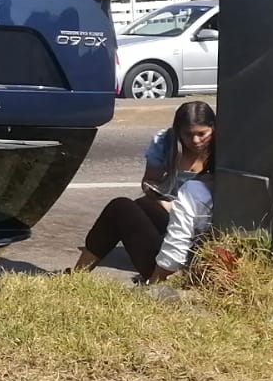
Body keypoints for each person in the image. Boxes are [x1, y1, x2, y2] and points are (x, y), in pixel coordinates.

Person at [71, 100, 216, 280]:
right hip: (175, 223)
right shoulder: (167, 143)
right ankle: (77, 275)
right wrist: (160, 200)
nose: (195, 141)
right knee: (140, 205)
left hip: (190, 247)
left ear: (213, 129)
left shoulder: (220, 155)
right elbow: (149, 181)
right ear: (178, 132)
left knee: (120, 208)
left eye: (202, 134)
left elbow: (183, 236)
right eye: (188, 135)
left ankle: (76, 276)